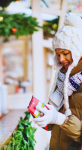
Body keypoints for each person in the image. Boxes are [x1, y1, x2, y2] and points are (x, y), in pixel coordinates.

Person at [33, 14, 82, 150]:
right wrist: (45, 119)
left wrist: (61, 119)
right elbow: (53, 125)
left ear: (77, 51)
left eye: (65, 53)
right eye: (58, 54)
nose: (61, 59)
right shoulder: (61, 77)